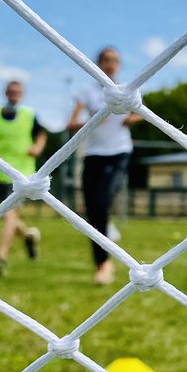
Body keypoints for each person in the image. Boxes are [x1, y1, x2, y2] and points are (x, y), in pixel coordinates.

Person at [67, 47, 142, 285]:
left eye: (116, 61)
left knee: (101, 202)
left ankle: (105, 257)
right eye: (107, 60)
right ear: (98, 64)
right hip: (93, 154)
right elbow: (71, 124)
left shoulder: (127, 90)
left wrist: (132, 118)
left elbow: (141, 113)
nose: (111, 65)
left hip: (119, 152)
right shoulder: (86, 92)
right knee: (92, 210)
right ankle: (102, 262)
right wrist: (94, 118)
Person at [0, 80, 46, 276]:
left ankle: (1, 258)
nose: (14, 94)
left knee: (8, 214)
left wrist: (37, 148)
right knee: (8, 215)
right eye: (11, 91)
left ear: (22, 94)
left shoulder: (29, 116)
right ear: (6, 93)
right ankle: (28, 236)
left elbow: (41, 135)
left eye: (18, 91)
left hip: (21, 173)